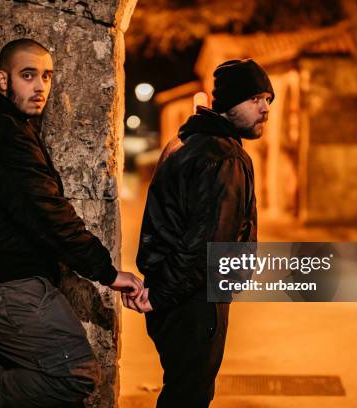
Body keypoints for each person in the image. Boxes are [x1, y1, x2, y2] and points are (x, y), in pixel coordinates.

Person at [0, 38, 143, 408]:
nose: (40, 86)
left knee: (3, 388)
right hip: (0, 288)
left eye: (47, 76)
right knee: (78, 375)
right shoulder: (3, 135)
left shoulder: (13, 128)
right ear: (2, 80)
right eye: (28, 75)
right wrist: (108, 272)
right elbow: (49, 214)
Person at [126, 58, 274, 407]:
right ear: (228, 104)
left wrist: (160, 292)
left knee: (181, 390)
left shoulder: (184, 142)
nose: (265, 108)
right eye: (255, 99)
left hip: (177, 295)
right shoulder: (224, 158)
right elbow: (207, 247)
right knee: (188, 397)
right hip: (194, 299)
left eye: (268, 99)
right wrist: (160, 295)